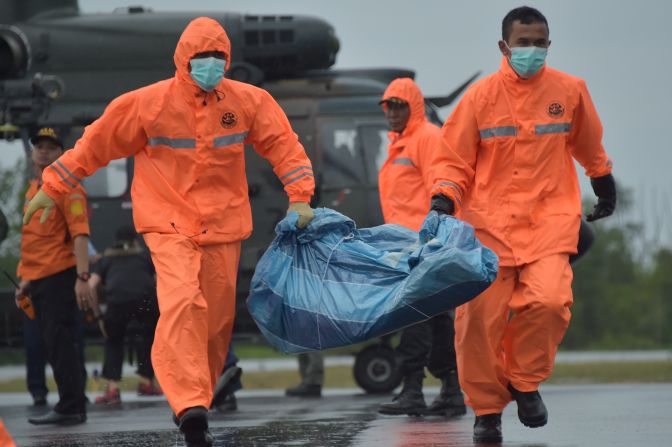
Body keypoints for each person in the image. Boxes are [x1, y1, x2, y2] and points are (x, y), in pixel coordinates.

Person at [23, 17, 315, 447]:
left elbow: (284, 145)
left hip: (223, 226)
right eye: (202, 58)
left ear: (228, 59)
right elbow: (96, 142)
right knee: (182, 301)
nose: (211, 65)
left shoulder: (250, 101)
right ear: (183, 59)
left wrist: (301, 196)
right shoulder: (147, 104)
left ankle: (201, 395)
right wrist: (54, 184)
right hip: (168, 223)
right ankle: (189, 407)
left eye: (218, 58)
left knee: (216, 325)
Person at [430, 6, 617, 443]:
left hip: (550, 221)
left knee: (550, 302)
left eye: (540, 43)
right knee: (477, 321)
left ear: (549, 45)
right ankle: (487, 410)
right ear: (504, 46)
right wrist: (443, 197)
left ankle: (524, 382)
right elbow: (454, 161)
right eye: (523, 43)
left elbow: (590, 145)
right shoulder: (478, 98)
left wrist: (605, 186)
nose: (532, 51)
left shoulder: (570, 91)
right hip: (488, 227)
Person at [375, 78, 465, 417]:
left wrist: (432, 240)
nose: (392, 113)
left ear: (413, 107)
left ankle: (412, 389)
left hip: (423, 244)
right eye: (388, 106)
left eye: (399, 105)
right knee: (436, 315)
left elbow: (440, 187)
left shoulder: (426, 138)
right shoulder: (399, 144)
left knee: (413, 315)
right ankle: (451, 389)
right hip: (405, 244)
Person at [16, 127, 91, 425]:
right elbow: (33, 241)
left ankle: (71, 405)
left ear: (61, 152)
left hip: (60, 275)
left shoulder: (68, 186)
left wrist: (83, 277)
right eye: (39, 146)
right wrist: (25, 279)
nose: (43, 151)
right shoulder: (35, 190)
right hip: (39, 278)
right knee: (51, 342)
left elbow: (80, 234)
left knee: (61, 341)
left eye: (51, 146)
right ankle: (69, 404)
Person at [90, 225, 162, 405]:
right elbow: (158, 280)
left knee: (113, 341)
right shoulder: (144, 257)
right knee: (147, 337)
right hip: (144, 301)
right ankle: (147, 383)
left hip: (117, 303)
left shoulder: (106, 260)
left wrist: (99, 316)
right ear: (135, 240)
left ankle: (113, 389)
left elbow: (91, 286)